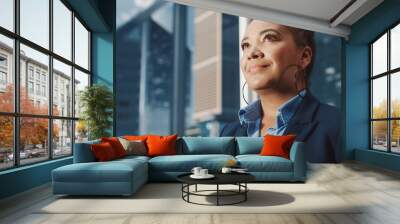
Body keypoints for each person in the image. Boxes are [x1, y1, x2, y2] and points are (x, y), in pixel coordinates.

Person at [220, 19, 341, 163]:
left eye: (269, 38)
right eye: (245, 45)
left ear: (304, 57)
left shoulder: (337, 125)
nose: (251, 53)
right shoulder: (228, 132)